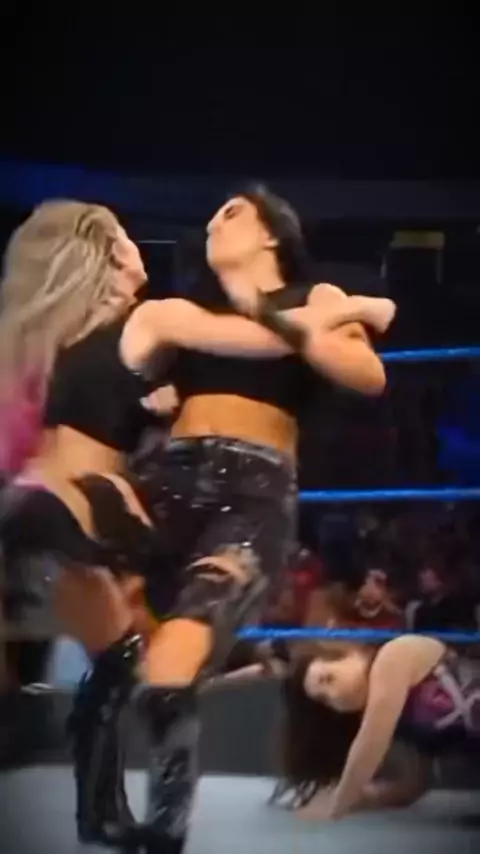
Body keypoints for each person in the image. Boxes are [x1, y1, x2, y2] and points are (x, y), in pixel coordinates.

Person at [0, 197, 395, 847]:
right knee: (124, 651)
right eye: (209, 221)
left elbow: (368, 374)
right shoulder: (181, 315)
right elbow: (143, 383)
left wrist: (321, 312)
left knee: (164, 660)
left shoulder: (313, 295)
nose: (213, 222)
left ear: (271, 233)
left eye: (231, 213)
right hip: (165, 483)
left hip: (247, 486)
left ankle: (155, 825)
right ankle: (105, 809)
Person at [277, 635, 480, 820]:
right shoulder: (396, 718)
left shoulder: (395, 655)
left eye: (329, 679)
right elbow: (413, 786)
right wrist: (365, 797)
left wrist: (339, 803)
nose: (334, 696)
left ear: (351, 651)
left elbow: (371, 741)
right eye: (325, 700)